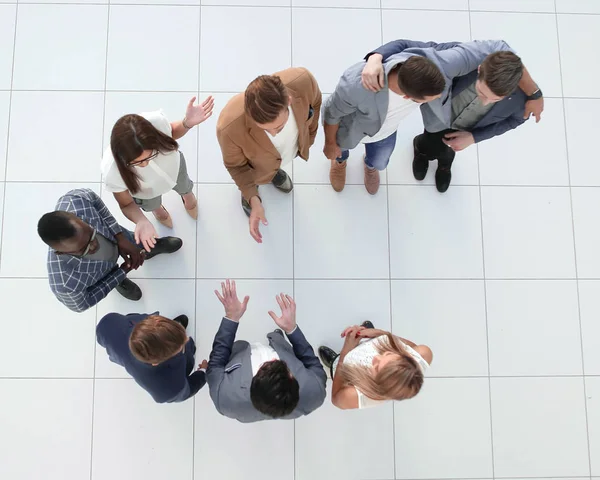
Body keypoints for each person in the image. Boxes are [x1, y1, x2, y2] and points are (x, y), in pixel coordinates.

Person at [323, 39, 543, 194]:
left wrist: (535, 92)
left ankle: (371, 166)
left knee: (382, 160)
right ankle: (342, 161)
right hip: (363, 129)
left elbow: (508, 55)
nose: (484, 100)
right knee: (343, 149)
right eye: (482, 93)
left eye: (493, 99)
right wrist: (375, 57)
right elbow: (407, 46)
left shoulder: (439, 71)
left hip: (388, 131)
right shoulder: (442, 64)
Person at [217, 69, 322, 243]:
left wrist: (310, 136)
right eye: (265, 129)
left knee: (275, 163)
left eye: (279, 127)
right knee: (256, 177)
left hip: (287, 151)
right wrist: (253, 197)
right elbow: (236, 166)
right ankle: (252, 190)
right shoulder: (228, 127)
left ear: (288, 101)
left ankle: (274, 172)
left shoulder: (303, 81)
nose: (273, 134)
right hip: (256, 166)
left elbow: (316, 103)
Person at [38, 188, 182, 312]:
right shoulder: (64, 285)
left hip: (118, 236)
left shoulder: (75, 200)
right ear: (61, 253)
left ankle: (147, 246)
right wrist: (120, 273)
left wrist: (120, 237)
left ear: (77, 217)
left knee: (133, 239)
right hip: (104, 274)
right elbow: (83, 304)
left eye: (91, 233)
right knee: (111, 277)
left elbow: (95, 201)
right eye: (85, 248)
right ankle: (118, 281)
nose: (95, 245)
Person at [102, 96, 213, 252]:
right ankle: (158, 210)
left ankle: (187, 197)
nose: (145, 164)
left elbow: (172, 132)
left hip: (173, 167)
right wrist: (141, 220)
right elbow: (126, 203)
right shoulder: (112, 171)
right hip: (145, 192)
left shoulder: (154, 123)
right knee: (152, 204)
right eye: (137, 162)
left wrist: (186, 123)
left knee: (184, 184)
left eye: (150, 155)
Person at [206, 280, 326, 422]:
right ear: (294, 381)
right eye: (286, 369)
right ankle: (277, 336)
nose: (274, 360)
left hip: (240, 353)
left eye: (265, 367)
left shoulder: (223, 398)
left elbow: (216, 362)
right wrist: (291, 330)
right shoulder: (315, 392)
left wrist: (232, 318)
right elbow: (310, 360)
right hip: (281, 345)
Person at [318, 321, 432, 410]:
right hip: (368, 345)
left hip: (347, 367)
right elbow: (408, 345)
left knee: (337, 365)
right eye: (388, 353)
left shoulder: (356, 395)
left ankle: (334, 361)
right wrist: (379, 333)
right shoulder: (424, 353)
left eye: (376, 367)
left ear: (378, 384)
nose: (376, 357)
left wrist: (345, 352)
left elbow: (336, 398)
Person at [97, 312, 207, 403]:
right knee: (188, 354)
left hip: (123, 354)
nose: (187, 339)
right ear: (156, 362)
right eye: (180, 348)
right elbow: (187, 391)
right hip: (176, 370)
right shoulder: (169, 389)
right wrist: (202, 372)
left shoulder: (108, 323)